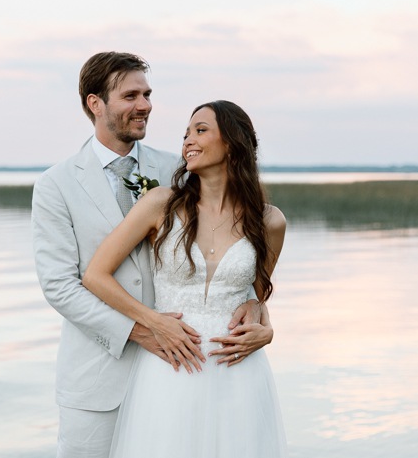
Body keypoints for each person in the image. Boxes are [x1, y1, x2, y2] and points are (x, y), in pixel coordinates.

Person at [31, 52, 274, 458]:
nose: (144, 105)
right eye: (130, 96)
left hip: (187, 375)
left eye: (147, 94)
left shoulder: (181, 168)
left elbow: (238, 252)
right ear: (96, 104)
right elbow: (60, 287)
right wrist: (143, 329)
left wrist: (260, 314)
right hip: (98, 379)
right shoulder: (56, 185)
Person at [83, 100, 288, 458]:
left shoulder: (269, 222)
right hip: (172, 369)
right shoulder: (160, 204)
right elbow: (96, 275)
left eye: (200, 130)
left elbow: (257, 295)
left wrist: (266, 328)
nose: (188, 141)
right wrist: (152, 321)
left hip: (239, 373)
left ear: (232, 143)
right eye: (185, 134)